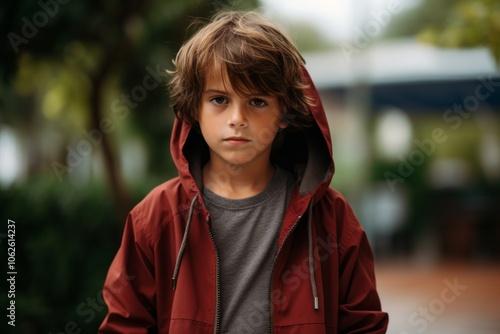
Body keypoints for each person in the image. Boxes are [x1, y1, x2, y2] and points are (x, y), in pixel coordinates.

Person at [99, 10, 388, 334]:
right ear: (195, 108)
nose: (237, 117)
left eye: (258, 101)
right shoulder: (155, 218)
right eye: (220, 99)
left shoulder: (332, 219)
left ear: (285, 113)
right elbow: (124, 326)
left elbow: (364, 326)